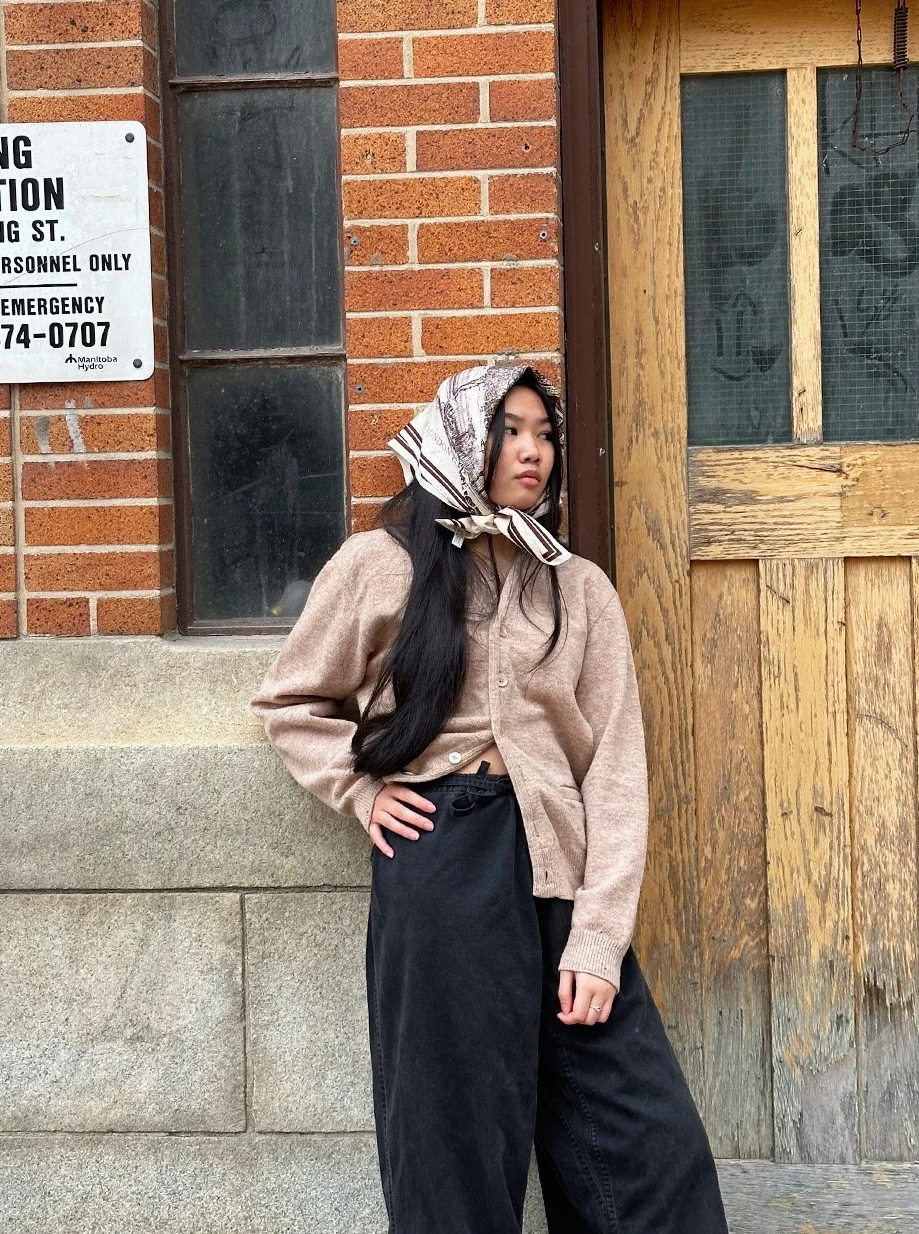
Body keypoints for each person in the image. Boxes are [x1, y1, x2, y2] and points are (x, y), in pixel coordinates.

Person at [250, 363, 729, 1233]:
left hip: (558, 869)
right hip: (441, 871)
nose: (534, 451)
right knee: (453, 1146)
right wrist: (360, 793)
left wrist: (597, 936)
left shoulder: (575, 587)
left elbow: (615, 767)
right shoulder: (380, 566)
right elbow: (288, 702)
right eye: (512, 430)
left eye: (545, 434)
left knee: (649, 1151)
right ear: (466, 436)